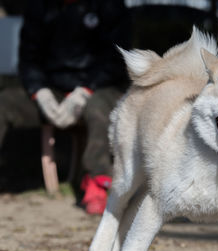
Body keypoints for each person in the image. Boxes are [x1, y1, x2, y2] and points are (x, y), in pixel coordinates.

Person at [0, 0, 132, 214]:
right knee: (4, 102)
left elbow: (116, 59)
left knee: (98, 110)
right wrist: (39, 91)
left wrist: (84, 91)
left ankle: (98, 181)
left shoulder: (110, 6)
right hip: (52, 89)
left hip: (100, 88)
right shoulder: (39, 7)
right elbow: (29, 59)